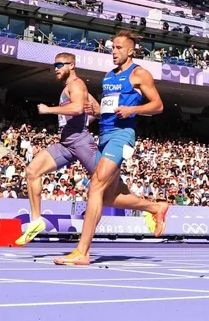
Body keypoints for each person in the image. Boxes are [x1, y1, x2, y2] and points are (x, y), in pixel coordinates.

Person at [16, 52, 168, 246]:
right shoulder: (72, 87)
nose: (56, 69)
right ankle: (36, 221)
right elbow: (95, 110)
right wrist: (93, 112)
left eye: (60, 65)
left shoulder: (76, 85)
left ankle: (153, 208)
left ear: (72, 65)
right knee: (32, 171)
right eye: (54, 65)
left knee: (109, 195)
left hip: (81, 143)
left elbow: (78, 109)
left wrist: (49, 109)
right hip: (66, 143)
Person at [54, 31, 167, 265]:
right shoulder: (108, 77)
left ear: (130, 50)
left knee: (95, 187)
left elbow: (158, 105)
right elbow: (107, 108)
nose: (113, 52)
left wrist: (132, 111)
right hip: (104, 135)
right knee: (109, 197)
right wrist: (92, 110)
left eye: (118, 48)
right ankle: (155, 207)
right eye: (112, 48)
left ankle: (82, 252)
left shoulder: (139, 74)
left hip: (121, 136)